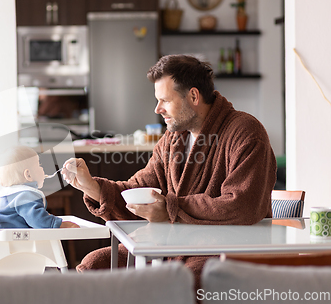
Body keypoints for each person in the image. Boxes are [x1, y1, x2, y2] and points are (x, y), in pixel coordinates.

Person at [61, 54, 277, 284]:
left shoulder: (245, 133)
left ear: (193, 96)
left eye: (165, 100)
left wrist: (170, 210)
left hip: (221, 249)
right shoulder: (173, 140)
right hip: (171, 246)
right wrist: (92, 187)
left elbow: (243, 206)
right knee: (96, 264)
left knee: (185, 280)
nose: (157, 109)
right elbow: (141, 189)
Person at [0, 145, 79, 234]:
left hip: (1, 236)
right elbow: (37, 219)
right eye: (39, 165)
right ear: (28, 175)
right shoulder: (25, 195)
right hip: (9, 239)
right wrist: (59, 224)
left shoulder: (13, 194)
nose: (42, 168)